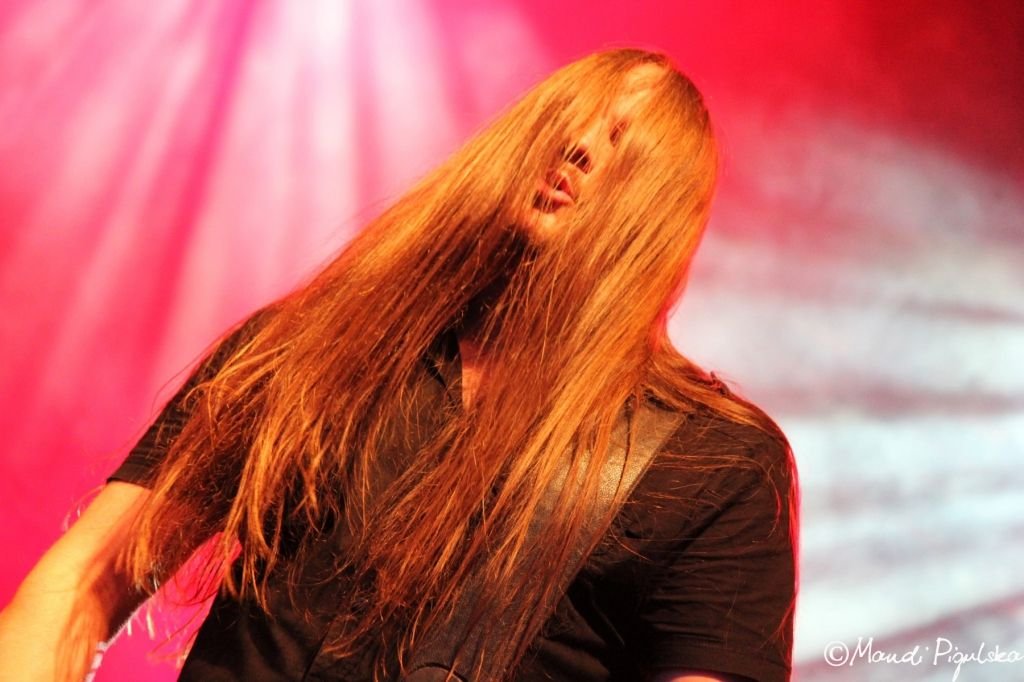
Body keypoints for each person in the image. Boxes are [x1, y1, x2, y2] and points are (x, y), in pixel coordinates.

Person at [0, 48, 799, 681]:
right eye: (565, 125)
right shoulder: (309, 349)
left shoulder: (713, 465)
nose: (580, 147)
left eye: (620, 144)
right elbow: (83, 582)